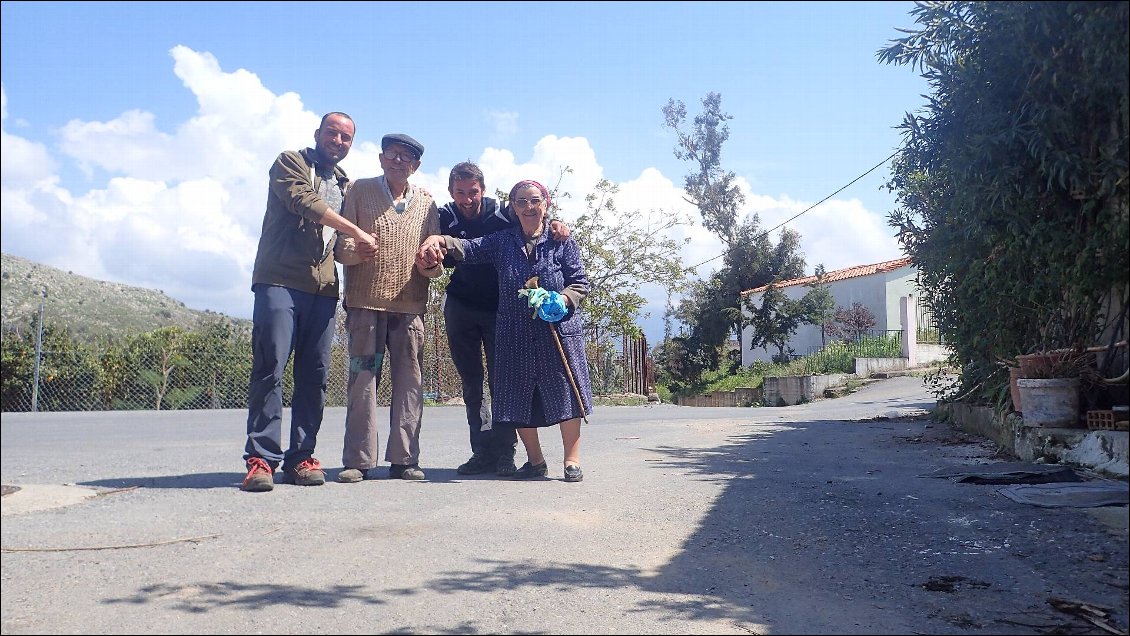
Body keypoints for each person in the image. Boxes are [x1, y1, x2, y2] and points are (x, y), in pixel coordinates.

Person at [419, 180, 592, 482]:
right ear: (512, 206)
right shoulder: (501, 241)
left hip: (557, 329)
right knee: (517, 396)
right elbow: (469, 248)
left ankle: (571, 460)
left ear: (545, 203)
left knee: (566, 393)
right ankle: (535, 461)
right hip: (515, 332)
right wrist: (440, 240)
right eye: (521, 201)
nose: (528, 207)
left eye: (534, 200)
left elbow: (579, 282)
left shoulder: (561, 241)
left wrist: (562, 300)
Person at [242, 112, 379, 493]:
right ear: (318, 133)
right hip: (279, 281)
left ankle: (301, 457)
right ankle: (260, 459)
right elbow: (303, 201)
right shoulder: (290, 162)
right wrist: (355, 230)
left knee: (315, 375)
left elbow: (345, 244)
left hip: (322, 290)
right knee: (271, 365)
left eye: (346, 137)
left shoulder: (346, 185)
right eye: (332, 133)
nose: (338, 141)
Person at [335, 133, 443, 483]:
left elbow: (435, 265)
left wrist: (430, 262)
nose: (399, 162)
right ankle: (358, 460)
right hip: (365, 305)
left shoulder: (427, 204)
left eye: (406, 158)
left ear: (416, 166)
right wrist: (357, 252)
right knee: (362, 380)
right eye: (393, 155)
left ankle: (405, 459)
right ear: (381, 158)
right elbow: (342, 248)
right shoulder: (359, 191)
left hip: (410, 307)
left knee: (410, 383)